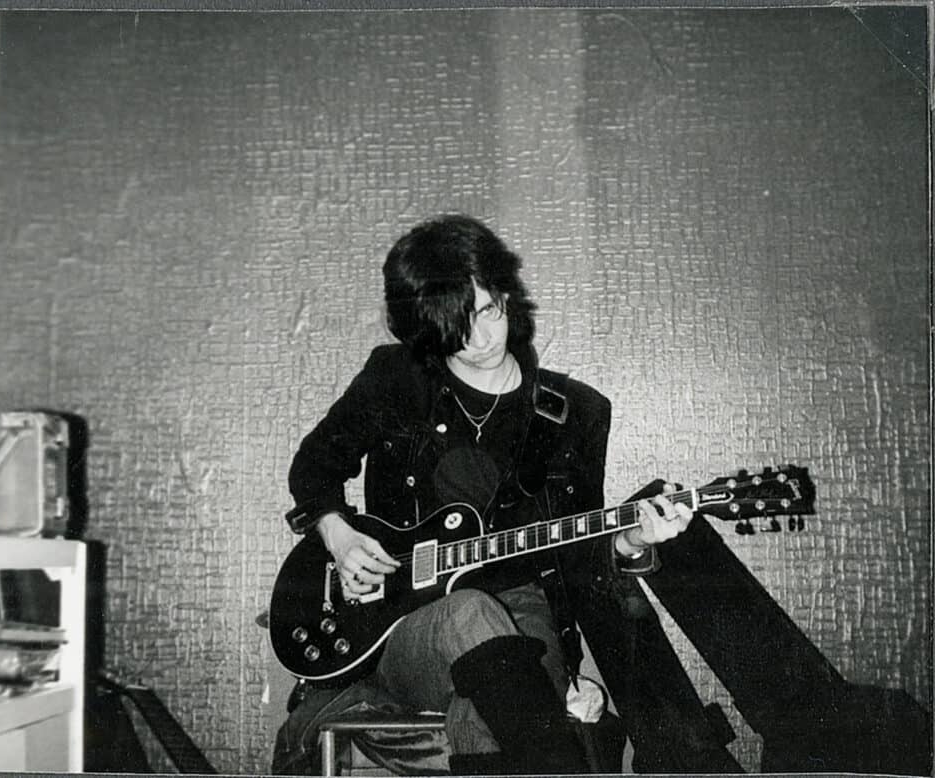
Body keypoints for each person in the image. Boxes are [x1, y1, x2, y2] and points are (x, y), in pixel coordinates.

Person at [274, 214, 695, 775]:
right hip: (403, 631)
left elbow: (576, 553)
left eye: (488, 311)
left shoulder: (575, 413)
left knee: (485, 705)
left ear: (506, 295)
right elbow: (313, 468)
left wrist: (631, 543)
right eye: (456, 328)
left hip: (527, 624)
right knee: (470, 612)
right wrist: (339, 535)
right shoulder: (396, 380)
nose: (479, 340)